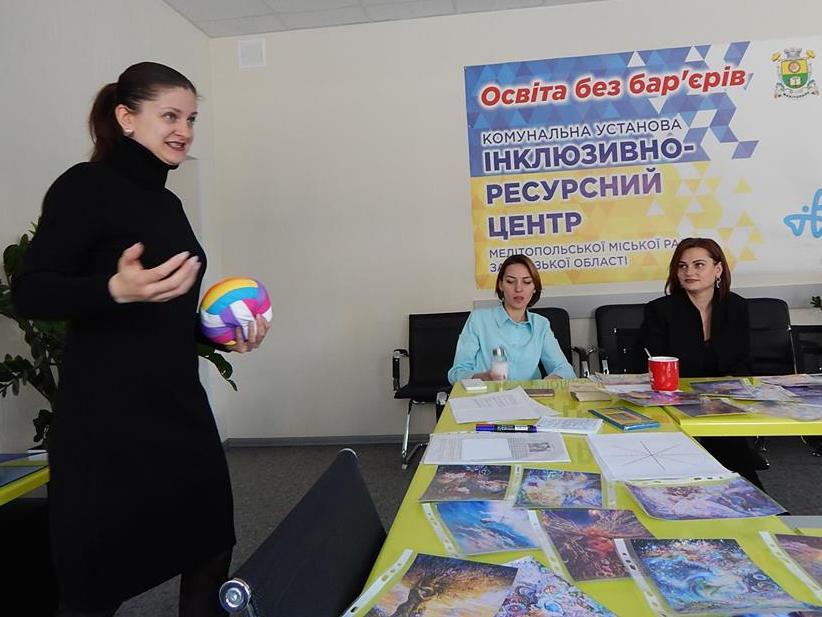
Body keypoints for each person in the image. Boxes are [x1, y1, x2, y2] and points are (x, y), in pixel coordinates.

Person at [12, 62, 268, 617]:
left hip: (178, 408)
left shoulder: (168, 203)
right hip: (107, 422)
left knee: (210, 545)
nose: (184, 130)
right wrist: (113, 288)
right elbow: (30, 292)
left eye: (191, 119)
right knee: (96, 581)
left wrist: (221, 334)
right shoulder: (83, 187)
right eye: (170, 116)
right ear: (126, 118)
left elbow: (162, 313)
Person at [639, 237, 762, 488]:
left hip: (723, 402)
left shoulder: (736, 306)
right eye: (682, 266)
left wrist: (724, 392)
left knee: (734, 462)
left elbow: (743, 360)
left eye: (698, 265)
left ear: (718, 269)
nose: (689, 272)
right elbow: (649, 363)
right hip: (674, 402)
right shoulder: (660, 310)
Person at [448, 255, 575, 384]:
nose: (518, 289)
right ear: (501, 285)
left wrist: (548, 382)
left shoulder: (541, 324)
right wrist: (485, 377)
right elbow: (456, 373)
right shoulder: (479, 320)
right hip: (489, 394)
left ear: (535, 288)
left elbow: (564, 369)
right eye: (510, 281)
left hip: (530, 395)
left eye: (527, 282)